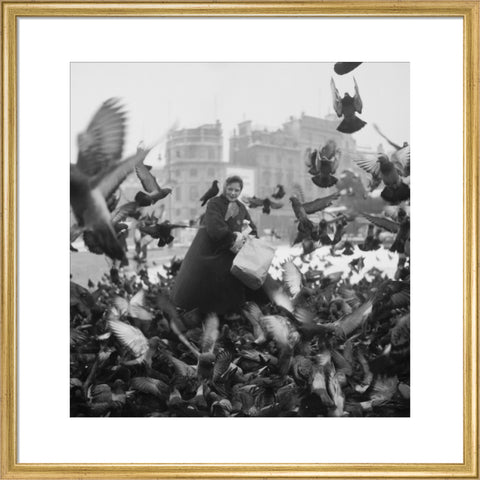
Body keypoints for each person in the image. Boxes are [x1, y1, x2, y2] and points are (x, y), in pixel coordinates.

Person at [171, 176, 259, 316]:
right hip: (210, 250)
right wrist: (233, 237)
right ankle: (203, 314)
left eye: (237, 190)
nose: (233, 193)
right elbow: (215, 227)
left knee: (236, 281)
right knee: (205, 285)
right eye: (230, 189)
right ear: (224, 188)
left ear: (241, 191)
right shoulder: (214, 203)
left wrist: (248, 236)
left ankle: (231, 313)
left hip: (231, 251)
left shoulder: (242, 208)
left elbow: (253, 229)